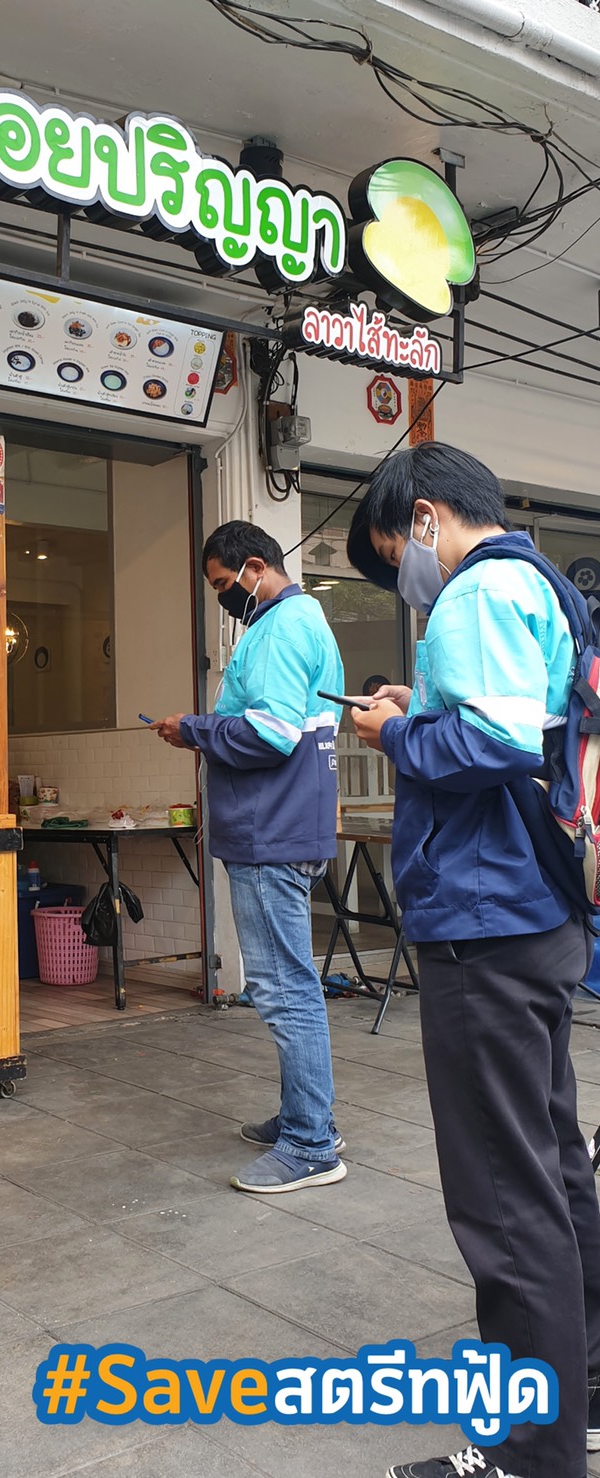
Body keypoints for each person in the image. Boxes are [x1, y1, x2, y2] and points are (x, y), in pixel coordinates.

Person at [346, 442, 600, 1478]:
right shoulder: (541, 583)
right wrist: (424, 710)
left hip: (485, 921)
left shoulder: (479, 590)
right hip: (538, 912)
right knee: (553, 1162)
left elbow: (493, 744)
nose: (404, 577)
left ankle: (532, 1455)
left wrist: (396, 732)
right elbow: (522, 726)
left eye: (392, 554)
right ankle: (581, 1394)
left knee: (502, 1194)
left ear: (425, 516)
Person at [152, 519, 347, 1193]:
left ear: (256, 567)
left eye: (222, 583)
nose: (222, 596)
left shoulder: (281, 628)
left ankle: (311, 1145)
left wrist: (194, 729)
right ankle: (307, 1117)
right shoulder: (296, 622)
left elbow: (271, 734)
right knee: (292, 984)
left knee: (284, 989)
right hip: (287, 825)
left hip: (271, 832)